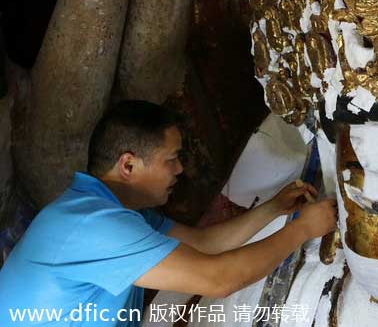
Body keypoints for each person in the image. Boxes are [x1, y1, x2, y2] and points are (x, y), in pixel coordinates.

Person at [0, 100, 337, 326]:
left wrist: (272, 209)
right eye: (171, 159)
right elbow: (219, 279)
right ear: (128, 165)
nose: (180, 169)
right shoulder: (94, 225)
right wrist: (302, 230)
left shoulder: (117, 211)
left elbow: (203, 244)